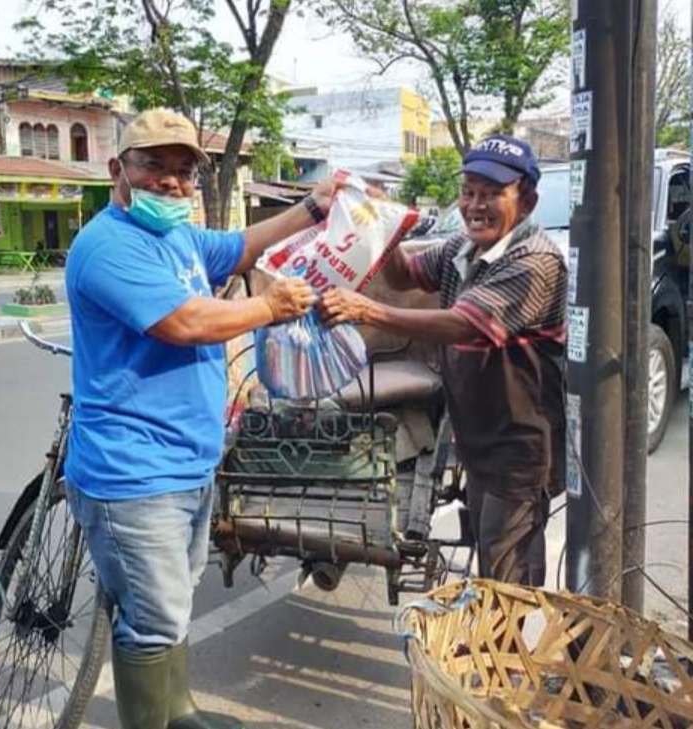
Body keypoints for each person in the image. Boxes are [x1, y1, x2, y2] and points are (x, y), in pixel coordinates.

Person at [64, 108, 337, 729]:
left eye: (184, 171)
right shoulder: (107, 245)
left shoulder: (181, 238)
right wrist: (269, 307)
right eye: (153, 165)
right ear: (117, 169)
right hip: (134, 472)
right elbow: (184, 323)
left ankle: (178, 710)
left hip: (188, 461)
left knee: (174, 602)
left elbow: (241, 246)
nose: (171, 181)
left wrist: (311, 210)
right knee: (153, 618)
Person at [318, 134, 567, 588]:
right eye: (468, 192)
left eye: (491, 194)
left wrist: (366, 310)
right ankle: (489, 630)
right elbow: (403, 276)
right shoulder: (461, 248)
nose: (476, 205)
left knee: (508, 582)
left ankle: (506, 637)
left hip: (519, 450)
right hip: (478, 439)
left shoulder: (536, 261)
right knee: (489, 564)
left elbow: (464, 324)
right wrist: (382, 224)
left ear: (527, 202)